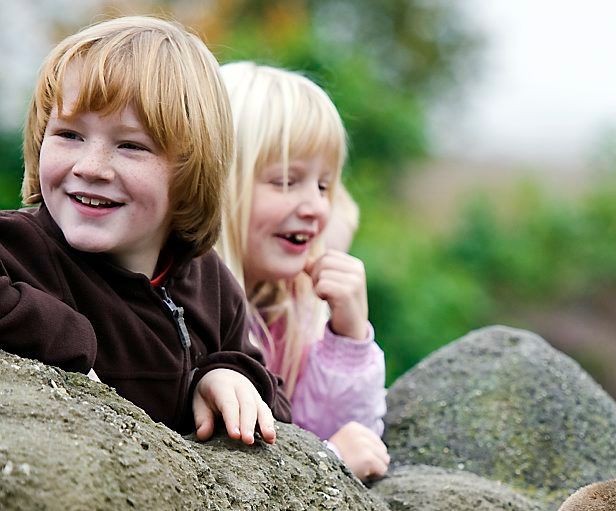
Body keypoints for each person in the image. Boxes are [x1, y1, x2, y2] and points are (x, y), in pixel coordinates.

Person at [0, 16, 290, 444]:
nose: (90, 167)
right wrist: (66, 336)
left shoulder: (211, 284)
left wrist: (226, 375)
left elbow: (281, 413)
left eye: (130, 145)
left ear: (191, 171)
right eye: (69, 135)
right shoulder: (19, 247)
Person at [215, 61, 389, 480]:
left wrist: (347, 337)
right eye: (287, 182)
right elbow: (230, 471)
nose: (316, 208)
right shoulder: (193, 311)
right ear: (219, 183)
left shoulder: (292, 307)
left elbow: (338, 431)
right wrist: (326, 460)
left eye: (324, 185)